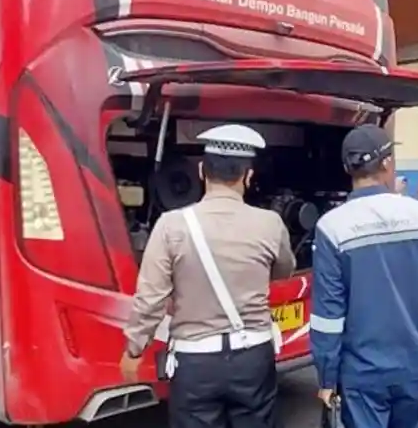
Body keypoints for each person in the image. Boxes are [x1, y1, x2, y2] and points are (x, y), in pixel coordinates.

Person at [120, 124, 296, 428]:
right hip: (253, 358)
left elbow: (151, 297)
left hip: (195, 362)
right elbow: (283, 270)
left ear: (202, 171)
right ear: (247, 176)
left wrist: (135, 348)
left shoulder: (170, 225)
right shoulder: (270, 223)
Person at [310, 125, 418, 428]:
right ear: (386, 164)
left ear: (348, 169)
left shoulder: (332, 227)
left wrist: (327, 376)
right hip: (413, 361)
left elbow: (328, 316)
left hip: (362, 370)